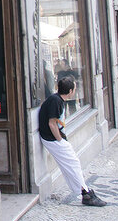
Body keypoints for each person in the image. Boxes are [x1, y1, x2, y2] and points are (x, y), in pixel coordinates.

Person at [38, 77, 106, 206]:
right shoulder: (56, 101)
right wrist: (60, 140)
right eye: (74, 89)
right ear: (70, 91)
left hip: (54, 138)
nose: (75, 91)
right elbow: (52, 123)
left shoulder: (57, 100)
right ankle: (85, 193)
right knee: (73, 164)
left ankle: (83, 191)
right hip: (52, 139)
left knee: (70, 165)